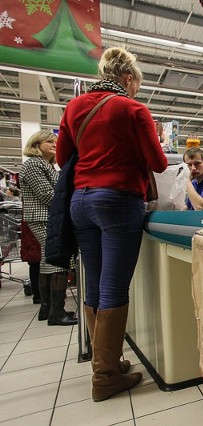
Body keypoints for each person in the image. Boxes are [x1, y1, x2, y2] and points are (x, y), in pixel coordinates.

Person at [57, 47, 168, 402]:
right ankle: (105, 376)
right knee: (114, 288)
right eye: (136, 83)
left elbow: (62, 157)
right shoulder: (133, 108)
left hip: (81, 203)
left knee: (95, 283)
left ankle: (108, 362)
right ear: (127, 78)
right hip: (118, 201)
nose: (136, 89)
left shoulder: (74, 107)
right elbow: (159, 163)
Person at [21, 130, 77, 326]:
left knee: (47, 261)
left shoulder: (46, 165)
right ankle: (56, 312)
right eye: (49, 141)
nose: (54, 144)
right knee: (57, 261)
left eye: (55, 141)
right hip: (44, 217)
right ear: (36, 144)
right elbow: (46, 194)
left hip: (46, 217)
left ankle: (47, 309)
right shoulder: (33, 164)